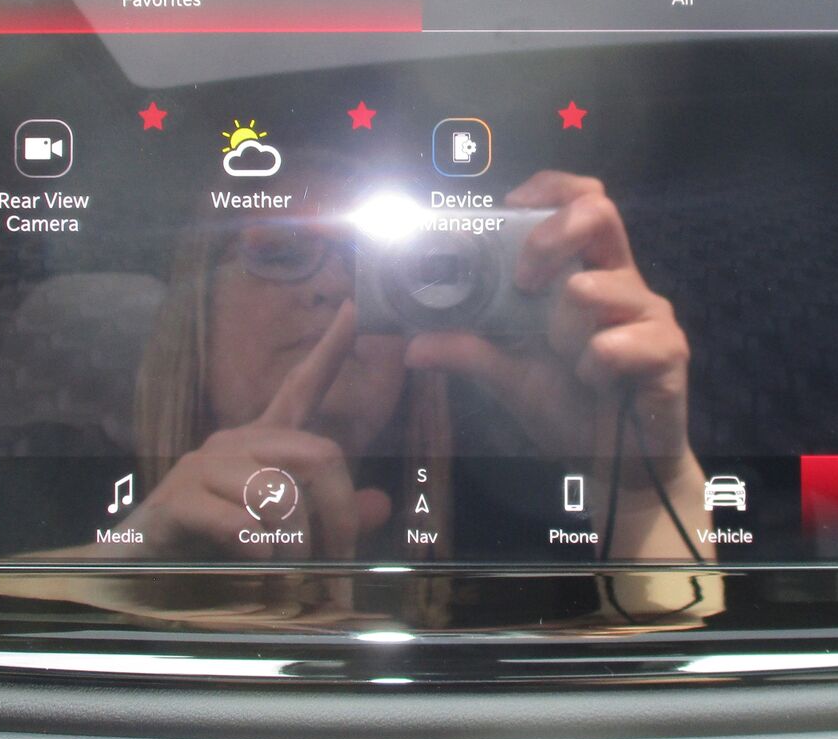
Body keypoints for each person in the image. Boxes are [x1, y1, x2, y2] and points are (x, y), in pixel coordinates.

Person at [123, 157, 715, 568]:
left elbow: (664, 692)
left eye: (378, 267)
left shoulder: (495, 547)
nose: (334, 285)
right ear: (195, 310)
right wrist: (127, 565)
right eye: (278, 252)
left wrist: (644, 490)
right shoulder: (82, 488)